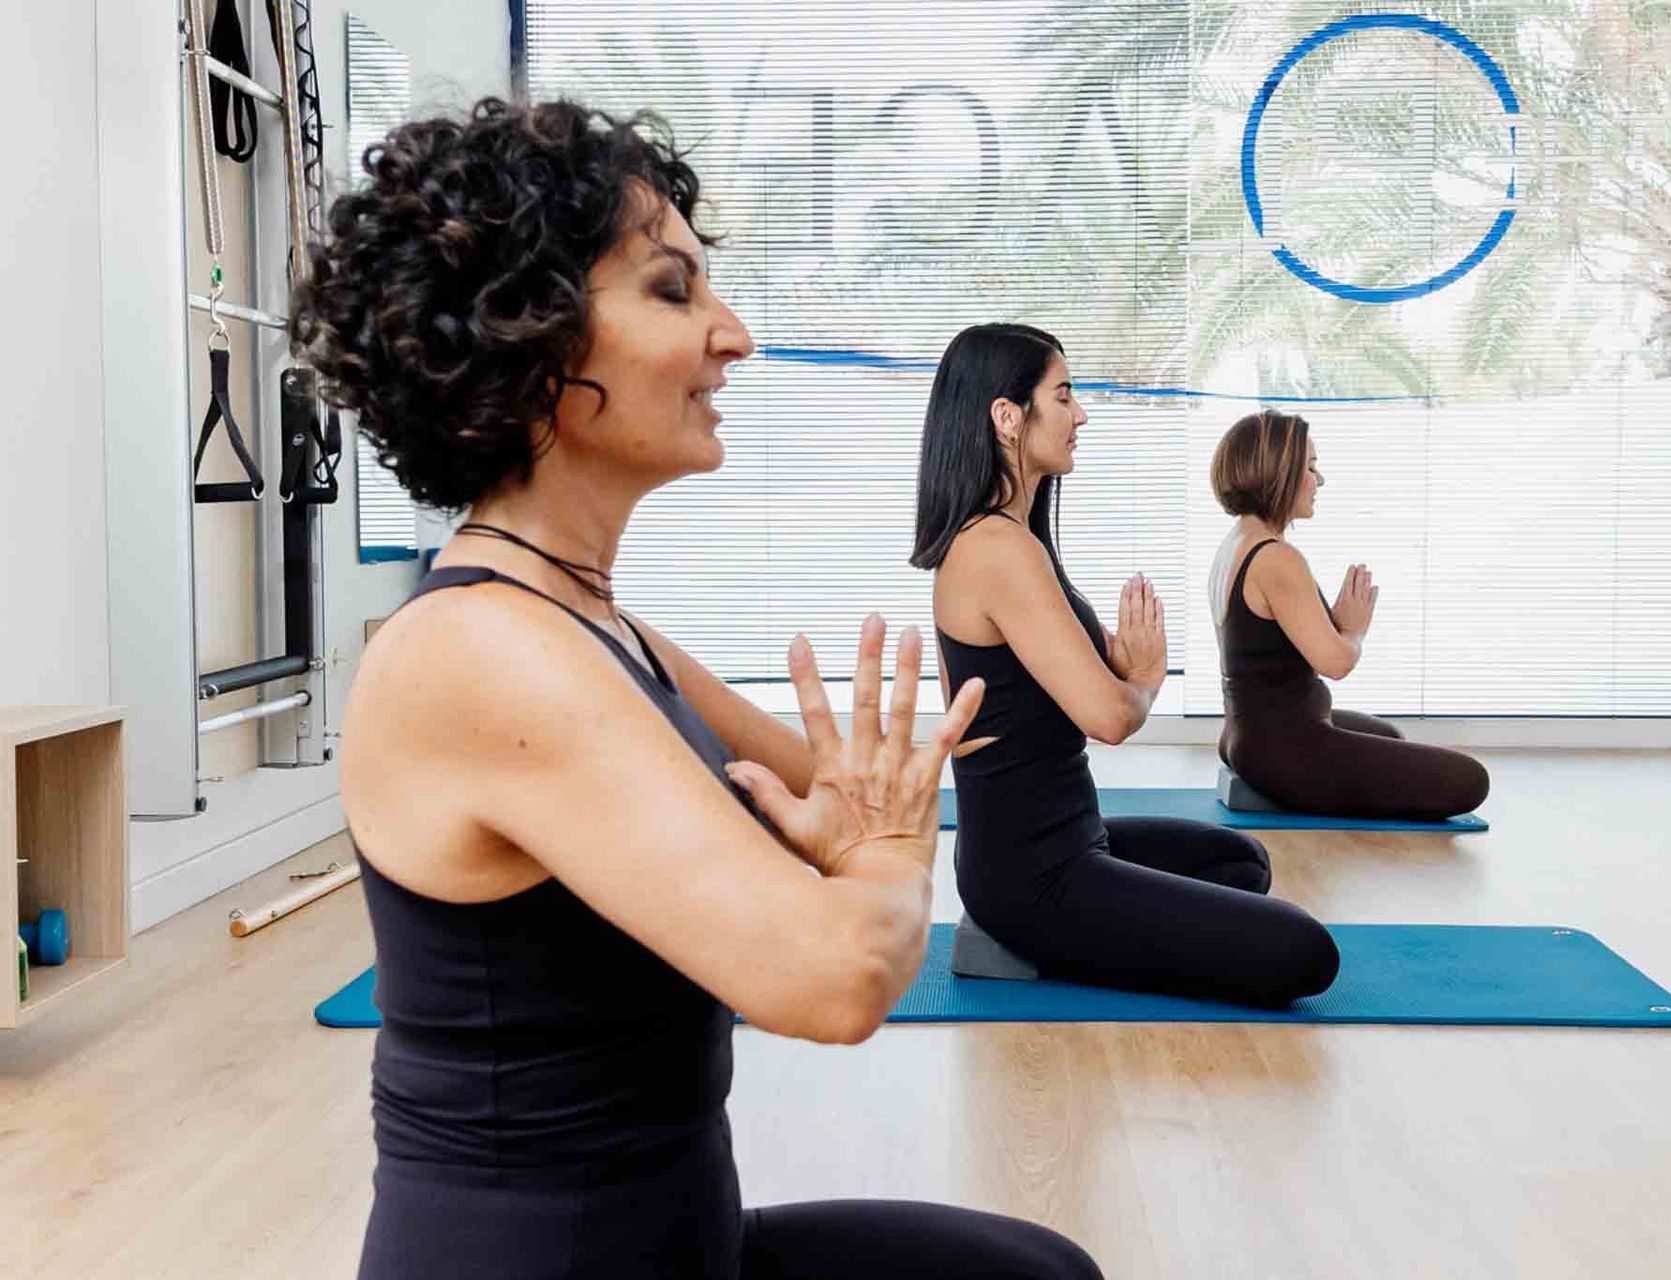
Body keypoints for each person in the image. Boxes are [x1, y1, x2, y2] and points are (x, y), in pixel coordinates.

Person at [296, 98, 1102, 1280]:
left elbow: (829, 788)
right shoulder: (479, 651)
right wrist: (885, 852)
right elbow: (836, 976)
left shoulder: (589, 620)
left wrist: (855, 826)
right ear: (532, 340)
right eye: (673, 292)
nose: (734, 335)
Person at [910, 323, 1340, 1008]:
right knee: (1304, 952)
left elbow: (1053, 674)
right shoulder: (997, 549)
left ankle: (1075, 931)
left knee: (1239, 861)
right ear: (1007, 417)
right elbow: (1109, 717)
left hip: (1074, 838)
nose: (1080, 414)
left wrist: (1123, 658)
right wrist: (1142, 680)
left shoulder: (1014, 539)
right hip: (1034, 876)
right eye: (1064, 396)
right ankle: (1020, 938)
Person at [1209, 410, 1490, 820]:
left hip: (1247, 733)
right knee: (1469, 780)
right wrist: (1353, 631)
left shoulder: (1238, 541)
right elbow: (1336, 663)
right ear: (1278, 473)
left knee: (1388, 737)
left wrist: (1334, 625)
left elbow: (1270, 650)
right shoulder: (1277, 558)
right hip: (1284, 749)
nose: (1318, 480)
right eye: (1309, 467)